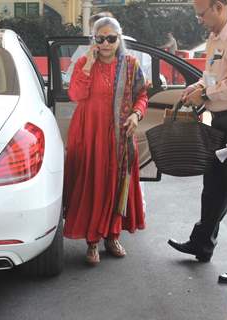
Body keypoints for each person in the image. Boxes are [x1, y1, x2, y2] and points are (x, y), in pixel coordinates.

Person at [167, 0, 227, 284]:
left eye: (202, 13)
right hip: (222, 117)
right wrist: (199, 86)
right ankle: (201, 242)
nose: (199, 20)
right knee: (213, 185)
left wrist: (207, 95)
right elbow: (213, 75)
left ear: (220, 6)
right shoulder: (216, 37)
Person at [63, 17, 148, 265]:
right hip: (90, 133)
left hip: (121, 135)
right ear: (94, 40)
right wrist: (88, 64)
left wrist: (136, 114)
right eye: (101, 39)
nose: (107, 43)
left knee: (115, 182)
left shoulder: (131, 65)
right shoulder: (84, 63)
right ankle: (92, 241)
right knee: (93, 183)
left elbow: (142, 95)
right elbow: (76, 94)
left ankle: (112, 235)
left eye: (112, 38)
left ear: (119, 39)